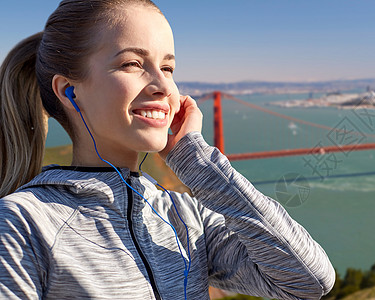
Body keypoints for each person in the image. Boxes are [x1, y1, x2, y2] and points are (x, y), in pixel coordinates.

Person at [0, 0, 335, 299]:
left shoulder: (187, 217)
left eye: (168, 68)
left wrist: (195, 161)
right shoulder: (22, 224)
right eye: (132, 63)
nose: (162, 86)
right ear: (69, 90)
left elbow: (308, 282)